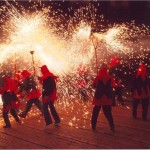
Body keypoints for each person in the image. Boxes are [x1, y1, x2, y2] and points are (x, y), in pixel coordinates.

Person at [91, 66, 115, 131]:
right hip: (107, 98)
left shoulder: (98, 77)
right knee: (108, 113)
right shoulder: (110, 78)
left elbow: (93, 85)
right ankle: (112, 125)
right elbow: (113, 85)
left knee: (95, 112)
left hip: (99, 97)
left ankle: (93, 125)